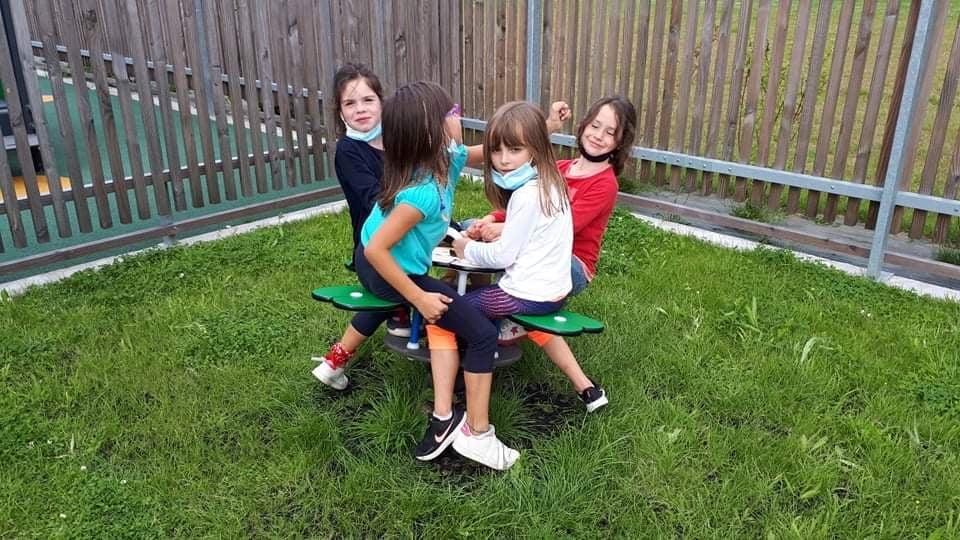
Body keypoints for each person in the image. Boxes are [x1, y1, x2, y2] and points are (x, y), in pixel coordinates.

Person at [320, 81, 518, 470]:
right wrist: (418, 297)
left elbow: (488, 153)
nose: (458, 117)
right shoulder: (420, 193)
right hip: (381, 267)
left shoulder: (447, 158)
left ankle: (446, 417)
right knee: (481, 334)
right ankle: (475, 434)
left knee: (455, 312)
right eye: (452, 114)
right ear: (431, 132)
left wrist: (537, 131)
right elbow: (376, 250)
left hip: (400, 262)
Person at [462, 96, 638, 412]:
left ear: (620, 141)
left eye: (610, 132)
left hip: (572, 264)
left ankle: (494, 321)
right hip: (536, 255)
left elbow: (566, 223)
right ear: (583, 125)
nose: (598, 135)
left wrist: (502, 230)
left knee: (519, 285)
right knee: (470, 229)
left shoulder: (605, 184)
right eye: (595, 125)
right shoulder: (560, 168)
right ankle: (585, 387)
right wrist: (490, 219)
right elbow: (522, 203)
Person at [311, 64, 409, 387]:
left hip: (412, 240)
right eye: (350, 103)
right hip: (373, 248)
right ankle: (404, 318)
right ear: (340, 113)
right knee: (416, 293)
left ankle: (333, 362)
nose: (360, 109)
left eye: (368, 100)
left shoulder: (398, 141)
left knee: (437, 280)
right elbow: (374, 200)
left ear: (381, 102)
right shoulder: (349, 151)